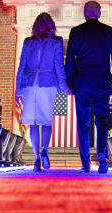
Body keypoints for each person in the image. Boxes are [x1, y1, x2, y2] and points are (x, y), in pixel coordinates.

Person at [65, 0, 112, 174]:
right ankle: (102, 155)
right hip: (102, 83)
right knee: (102, 121)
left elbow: (69, 61)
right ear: (99, 13)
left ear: (85, 13)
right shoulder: (109, 32)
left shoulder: (76, 32)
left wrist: (69, 82)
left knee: (82, 124)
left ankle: (85, 164)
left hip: (82, 83)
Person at [15, 13, 70, 172]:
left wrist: (18, 89)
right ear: (51, 25)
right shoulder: (57, 41)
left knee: (33, 123)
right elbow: (59, 66)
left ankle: (36, 158)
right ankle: (44, 150)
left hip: (30, 84)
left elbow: (22, 67)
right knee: (46, 121)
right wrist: (64, 87)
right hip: (48, 84)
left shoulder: (28, 42)